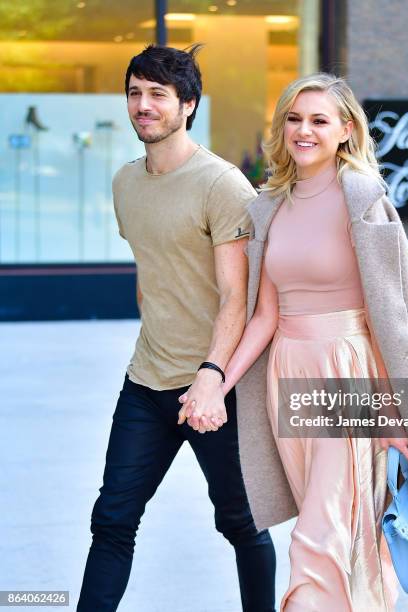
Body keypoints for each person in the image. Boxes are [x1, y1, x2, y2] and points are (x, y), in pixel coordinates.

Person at [180, 73, 408, 611]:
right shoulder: (269, 206)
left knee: (321, 535)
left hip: (347, 375)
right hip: (289, 374)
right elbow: (263, 316)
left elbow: (394, 318)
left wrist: (397, 414)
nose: (302, 130)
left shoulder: (364, 201)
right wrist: (216, 384)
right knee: (339, 529)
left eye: (318, 120)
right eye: (293, 118)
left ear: (346, 130)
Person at [76, 44, 276, 612]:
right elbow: (153, 273)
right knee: (112, 519)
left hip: (215, 389)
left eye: (158, 95)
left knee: (241, 522)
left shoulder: (222, 185)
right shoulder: (125, 182)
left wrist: (212, 376)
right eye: (135, 93)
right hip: (146, 382)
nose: (143, 105)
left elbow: (237, 296)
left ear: (188, 104)